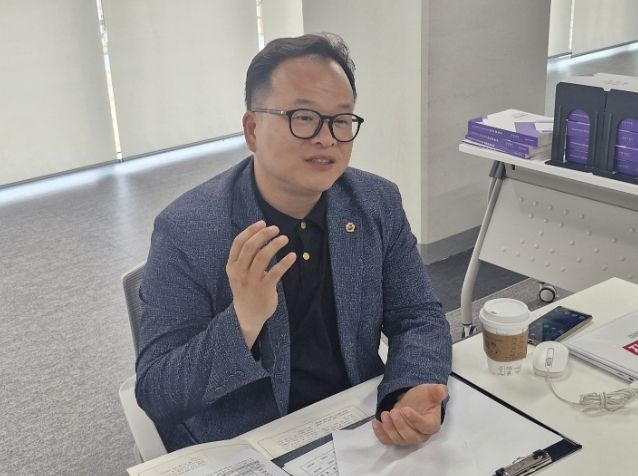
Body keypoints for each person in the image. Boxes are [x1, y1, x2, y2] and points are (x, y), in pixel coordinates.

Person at [136, 33, 452, 452]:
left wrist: (414, 385)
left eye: (341, 119)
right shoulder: (188, 229)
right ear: (252, 129)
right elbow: (157, 392)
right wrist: (244, 320)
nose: (328, 138)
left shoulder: (376, 202)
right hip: (247, 440)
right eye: (303, 117)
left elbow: (418, 316)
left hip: (358, 422)